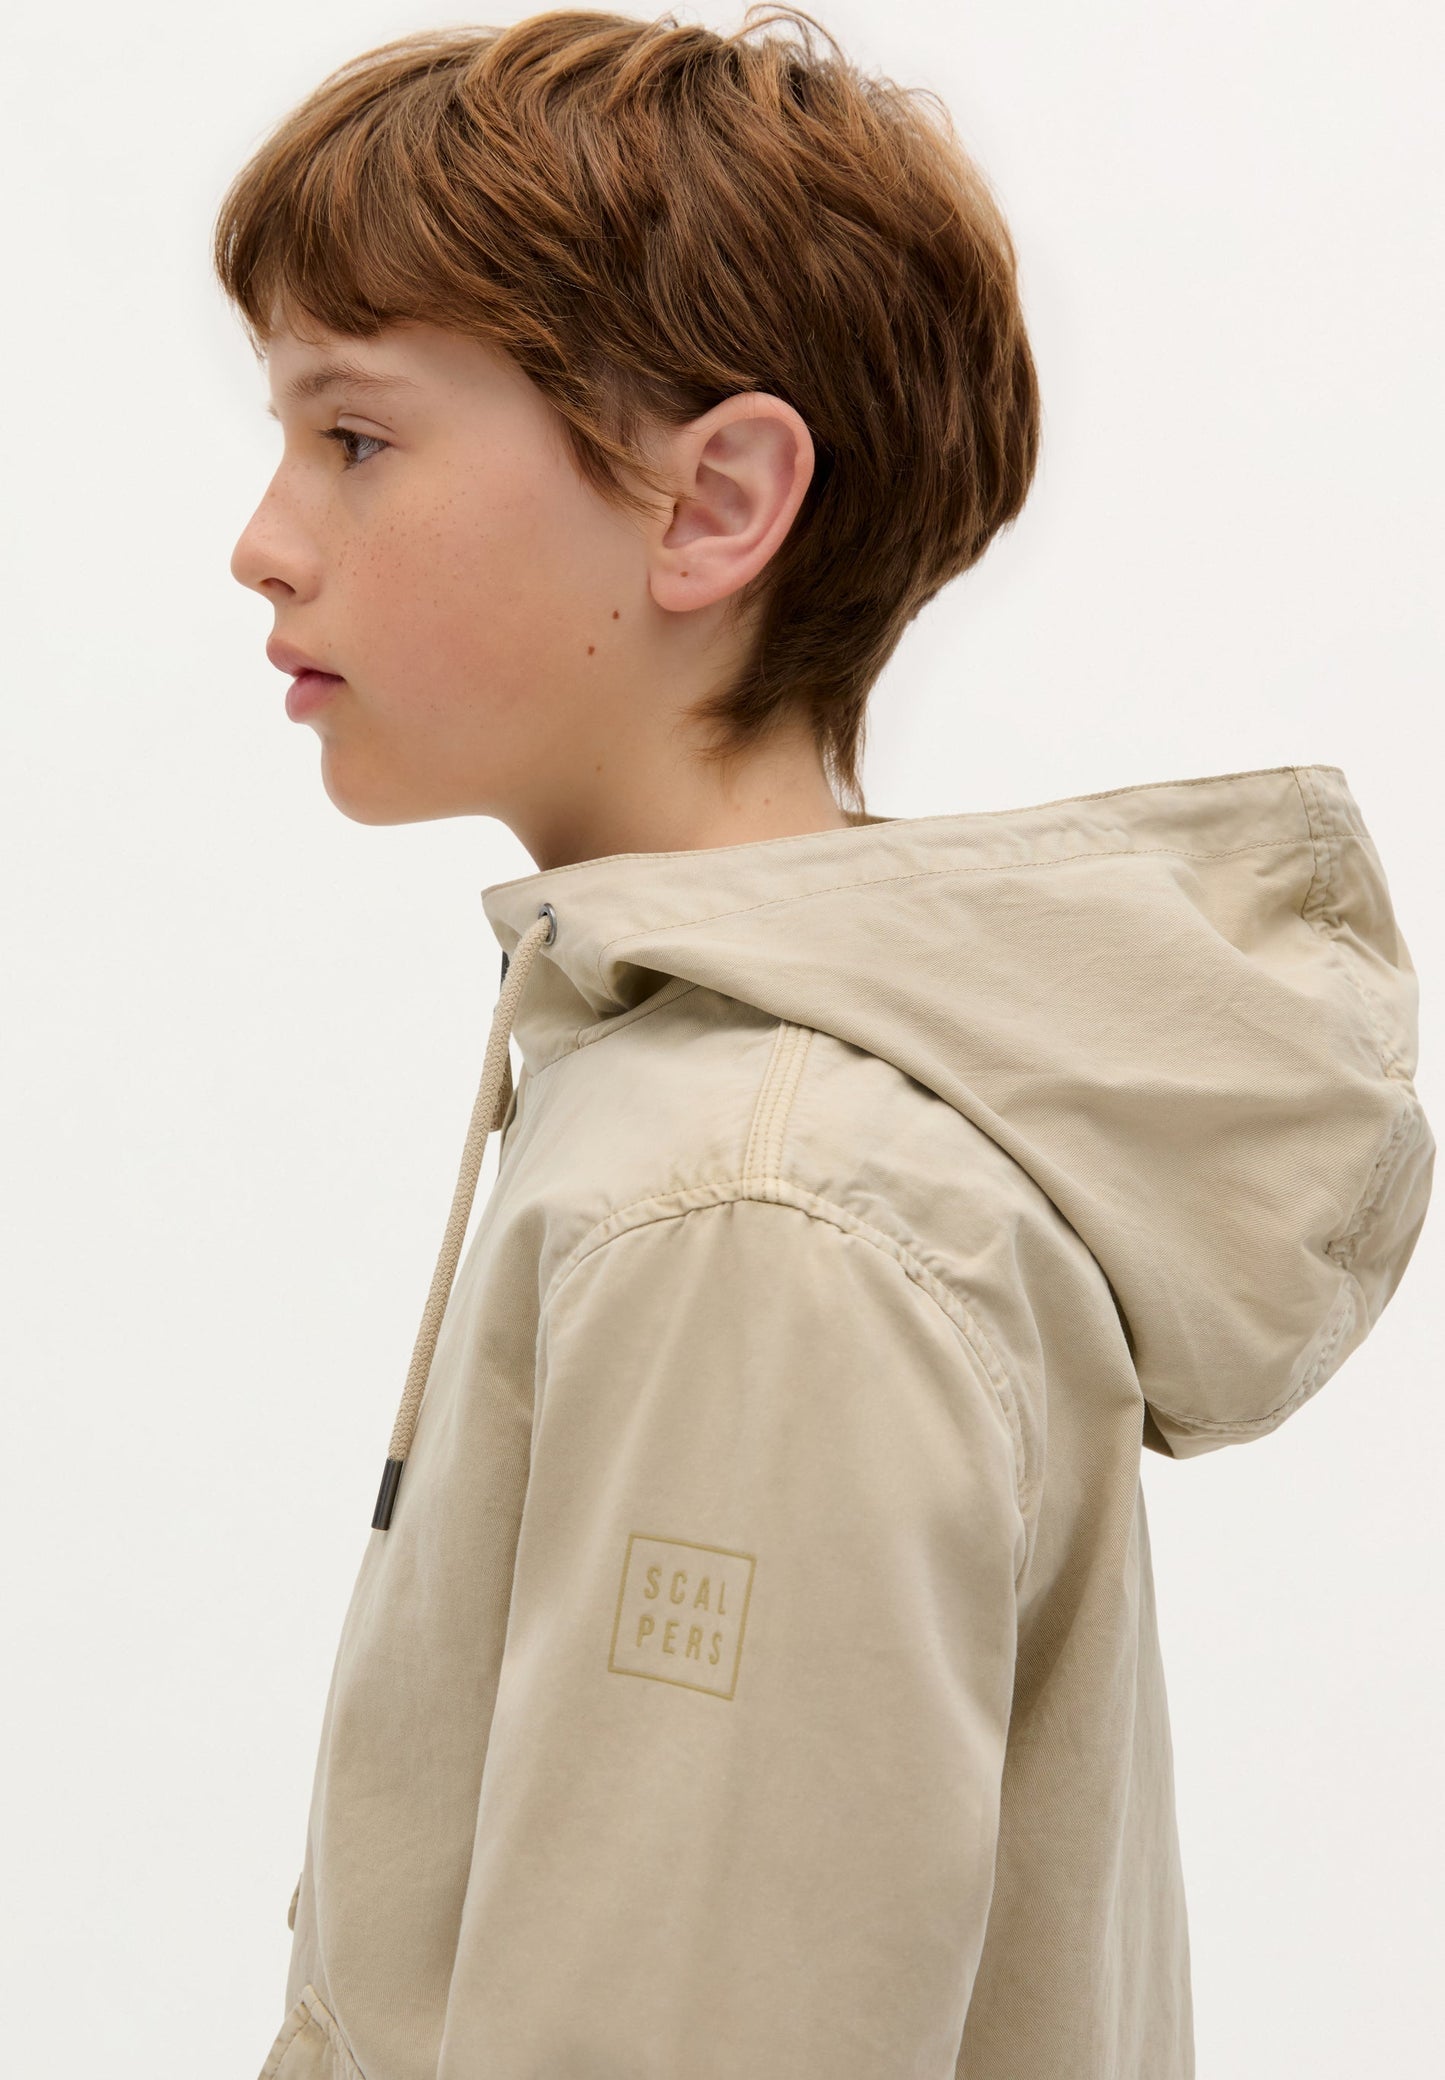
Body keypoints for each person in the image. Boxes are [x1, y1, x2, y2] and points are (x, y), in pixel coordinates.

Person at [219, 12, 1434, 2078]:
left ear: (715, 503)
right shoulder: (733, 1119)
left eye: (354, 437)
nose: (262, 536)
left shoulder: (754, 1210)